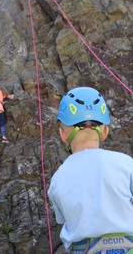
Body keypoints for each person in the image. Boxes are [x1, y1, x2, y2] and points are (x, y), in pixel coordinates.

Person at [47, 86, 133, 254]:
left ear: (63, 134)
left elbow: (64, 219)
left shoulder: (58, 178)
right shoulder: (125, 163)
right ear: (105, 131)